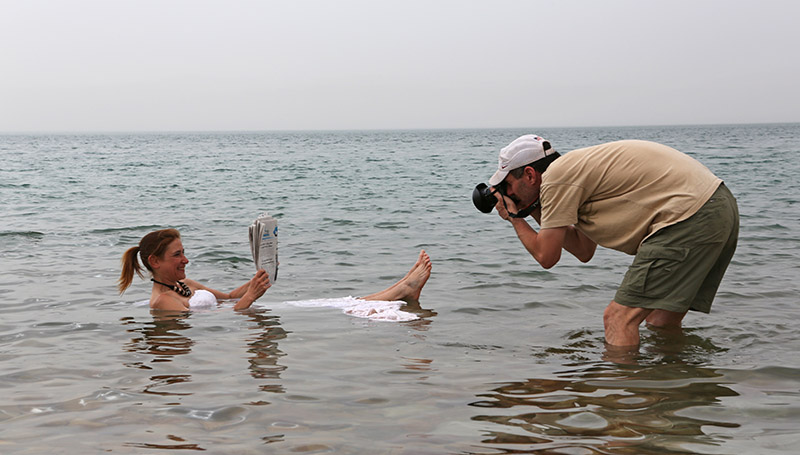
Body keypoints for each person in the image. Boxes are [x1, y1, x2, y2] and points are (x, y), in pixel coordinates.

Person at [486, 134, 739, 347]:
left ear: (530, 175)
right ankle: (669, 388)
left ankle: (622, 400)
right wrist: (530, 208)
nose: (507, 194)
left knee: (619, 318)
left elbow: (546, 256)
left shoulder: (556, 178)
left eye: (507, 186)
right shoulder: (577, 173)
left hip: (687, 217)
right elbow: (583, 250)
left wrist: (514, 218)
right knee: (661, 321)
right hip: (717, 207)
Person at [118, 228, 432, 311]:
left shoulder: (183, 283)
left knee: (331, 302)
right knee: (334, 307)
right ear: (155, 262)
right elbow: (228, 314)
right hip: (248, 318)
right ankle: (403, 290)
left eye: (184, 252)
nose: (185, 260)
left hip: (250, 312)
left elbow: (227, 298)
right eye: (177, 255)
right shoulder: (162, 301)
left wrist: (257, 279)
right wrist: (250, 299)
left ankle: (403, 287)